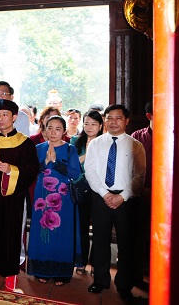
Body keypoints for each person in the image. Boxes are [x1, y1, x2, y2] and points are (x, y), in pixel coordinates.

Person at [0, 99, 39, 293]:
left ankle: (11, 281)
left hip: (13, 200)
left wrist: (10, 170)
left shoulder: (25, 143)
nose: (0, 119)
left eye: (4, 115)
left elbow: (31, 171)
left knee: (10, 237)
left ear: (14, 117)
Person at [84, 104, 146, 301]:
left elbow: (139, 175)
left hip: (126, 200)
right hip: (100, 197)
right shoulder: (96, 144)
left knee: (126, 243)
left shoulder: (136, 145)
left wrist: (122, 196)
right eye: (109, 118)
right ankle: (100, 280)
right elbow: (90, 171)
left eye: (118, 118)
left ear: (126, 121)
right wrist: (105, 194)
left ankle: (124, 284)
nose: (113, 122)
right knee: (100, 240)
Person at [27, 115, 82, 285]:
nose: (53, 132)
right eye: (49, 128)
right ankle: (42, 270)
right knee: (42, 233)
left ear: (64, 131)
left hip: (63, 199)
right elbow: (31, 170)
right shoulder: (38, 148)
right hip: (42, 197)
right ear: (44, 129)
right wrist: (45, 161)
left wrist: (56, 162)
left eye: (58, 129)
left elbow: (75, 173)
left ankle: (61, 273)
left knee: (62, 233)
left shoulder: (70, 149)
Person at [69, 110, 104, 274]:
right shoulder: (75, 141)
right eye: (86, 123)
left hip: (99, 190)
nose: (89, 127)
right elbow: (72, 165)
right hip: (80, 188)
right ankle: (81, 261)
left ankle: (96, 263)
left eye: (93, 124)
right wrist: (88, 152)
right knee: (81, 227)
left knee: (99, 228)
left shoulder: (105, 142)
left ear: (100, 126)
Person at [131, 101, 152, 287]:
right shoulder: (137, 137)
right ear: (149, 116)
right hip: (141, 195)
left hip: (166, 198)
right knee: (138, 237)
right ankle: (137, 277)